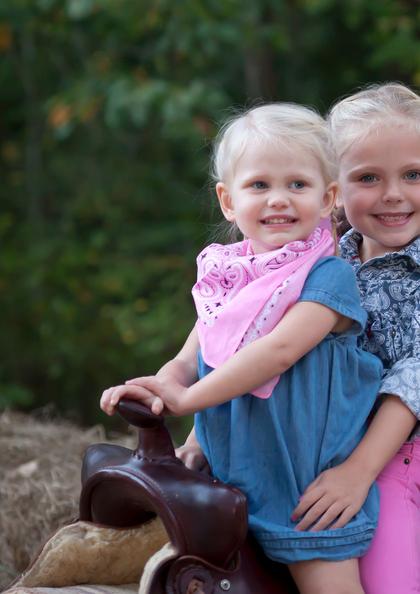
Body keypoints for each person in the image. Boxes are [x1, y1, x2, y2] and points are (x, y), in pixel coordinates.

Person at [100, 104, 384, 594]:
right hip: (233, 474)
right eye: (259, 186)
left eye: (297, 184)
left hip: (303, 486)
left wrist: (188, 400)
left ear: (328, 199)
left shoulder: (327, 276)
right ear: (228, 201)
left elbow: (278, 352)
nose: (279, 199)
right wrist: (165, 384)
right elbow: (195, 352)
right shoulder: (228, 277)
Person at [296, 83, 420, 594]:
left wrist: (358, 472)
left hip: (389, 453)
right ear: (334, 188)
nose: (393, 194)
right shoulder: (316, 259)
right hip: (301, 436)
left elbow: (418, 382)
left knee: (389, 561)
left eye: (413, 175)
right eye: (368, 178)